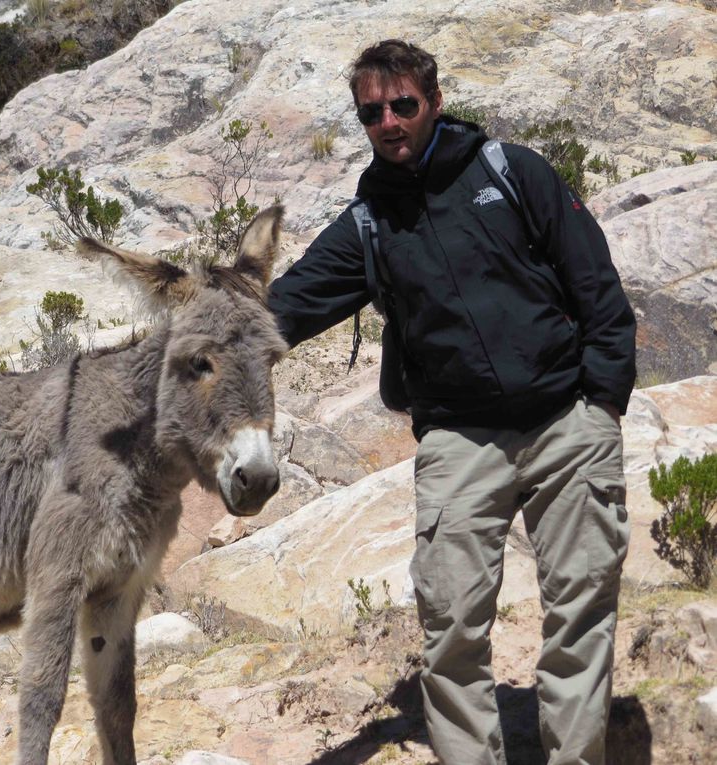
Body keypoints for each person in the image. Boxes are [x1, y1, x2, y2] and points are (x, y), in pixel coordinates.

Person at [267, 39, 636, 765]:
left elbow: (595, 282)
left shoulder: (510, 171)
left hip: (567, 420)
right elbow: (282, 308)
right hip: (460, 441)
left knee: (580, 611)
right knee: (452, 623)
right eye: (372, 112)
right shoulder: (368, 223)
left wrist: (603, 401)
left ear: (434, 101)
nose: (390, 121)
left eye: (403, 104)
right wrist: (197, 337)